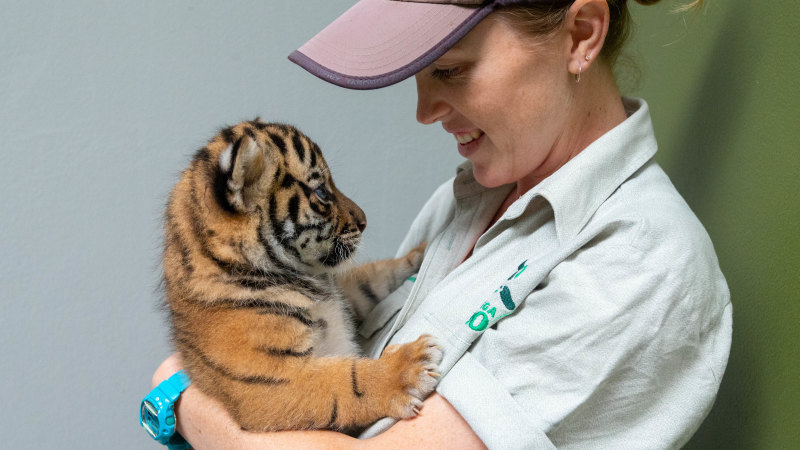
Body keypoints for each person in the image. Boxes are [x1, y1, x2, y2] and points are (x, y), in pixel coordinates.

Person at [151, 0, 731, 448]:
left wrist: (178, 392)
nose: (424, 111)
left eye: (451, 70)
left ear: (580, 35)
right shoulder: (467, 199)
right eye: (420, 74)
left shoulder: (639, 258)